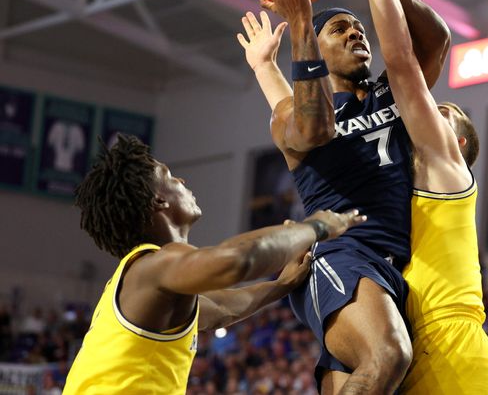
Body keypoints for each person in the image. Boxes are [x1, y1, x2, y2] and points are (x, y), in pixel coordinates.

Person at [237, 0, 451, 394]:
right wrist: (302, 24)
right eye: (342, 30)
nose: (358, 33)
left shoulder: (391, 97)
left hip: (397, 266)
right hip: (342, 256)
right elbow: (316, 129)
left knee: (373, 377)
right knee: (389, 355)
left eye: (360, 29)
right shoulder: (290, 113)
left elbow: (437, 40)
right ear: (316, 46)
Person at [313, 0, 488, 393]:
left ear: (457, 145)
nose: (429, 112)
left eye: (445, 117)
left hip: (455, 352)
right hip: (411, 349)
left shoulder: (446, 171)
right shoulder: (397, 189)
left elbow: (404, 59)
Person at [63, 135, 364, 394]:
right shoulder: (154, 265)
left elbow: (221, 309)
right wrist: (315, 227)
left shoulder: (141, 282)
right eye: (170, 177)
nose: (182, 181)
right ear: (159, 201)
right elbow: (238, 260)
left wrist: (280, 286)